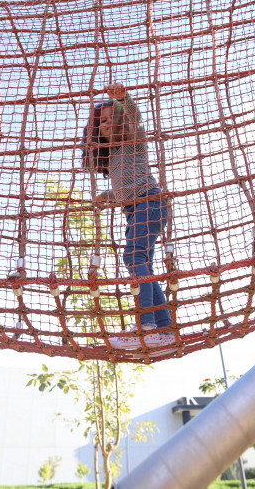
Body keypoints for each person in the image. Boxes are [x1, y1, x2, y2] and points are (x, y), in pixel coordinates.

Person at [81, 82, 172, 349]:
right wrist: (107, 197)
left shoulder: (134, 143)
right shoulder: (112, 159)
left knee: (133, 256)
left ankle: (146, 325)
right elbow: (125, 189)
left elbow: (138, 122)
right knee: (145, 266)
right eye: (103, 121)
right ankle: (165, 329)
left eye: (113, 119)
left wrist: (125, 100)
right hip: (137, 210)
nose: (107, 124)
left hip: (150, 203)